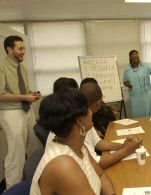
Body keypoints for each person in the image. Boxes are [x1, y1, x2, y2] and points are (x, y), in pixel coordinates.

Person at [30, 89, 116, 195]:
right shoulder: (62, 165)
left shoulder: (75, 144)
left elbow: (101, 175)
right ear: (79, 122)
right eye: (87, 109)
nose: (90, 112)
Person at [0, 35, 41, 188]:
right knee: (16, 155)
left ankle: (34, 184)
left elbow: (22, 90)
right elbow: (1, 94)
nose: (24, 52)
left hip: (26, 110)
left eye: (24, 48)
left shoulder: (21, 68)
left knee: (35, 148)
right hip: (11, 113)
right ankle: (13, 189)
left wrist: (33, 93)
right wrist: (25, 96)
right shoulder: (1, 66)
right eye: (20, 48)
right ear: (9, 50)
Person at [123, 50, 151, 117]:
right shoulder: (127, 70)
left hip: (146, 96)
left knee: (149, 115)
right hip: (135, 98)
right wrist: (127, 84)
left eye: (137, 56)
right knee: (138, 117)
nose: (136, 58)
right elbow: (124, 81)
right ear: (130, 58)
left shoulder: (145, 66)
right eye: (134, 57)